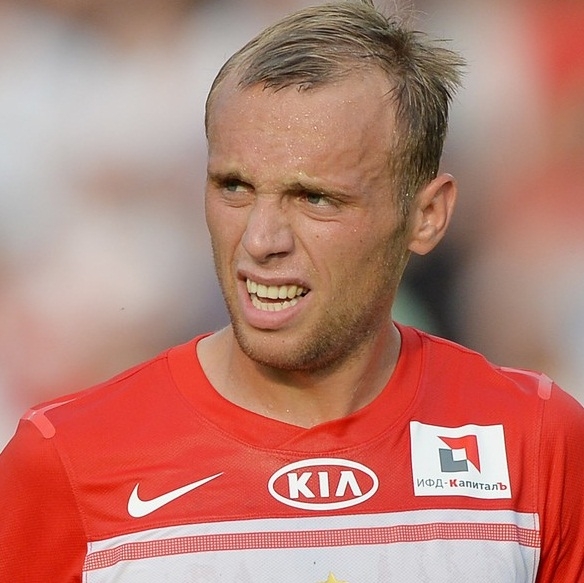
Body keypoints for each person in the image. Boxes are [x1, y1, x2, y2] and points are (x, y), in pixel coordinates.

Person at [1, 1, 583, 581]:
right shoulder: (65, 460)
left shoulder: (537, 443)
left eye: (315, 198)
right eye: (234, 187)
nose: (260, 240)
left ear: (426, 216)